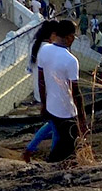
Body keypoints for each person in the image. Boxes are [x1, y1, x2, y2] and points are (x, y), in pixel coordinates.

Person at [36, 19, 87, 162]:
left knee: (59, 139)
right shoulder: (71, 60)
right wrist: (82, 119)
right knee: (68, 147)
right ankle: (49, 166)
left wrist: (44, 105)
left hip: (51, 106)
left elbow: (41, 82)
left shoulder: (44, 50)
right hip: (66, 111)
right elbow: (76, 93)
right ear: (70, 37)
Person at [22, 22, 59, 163]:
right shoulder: (48, 48)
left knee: (53, 123)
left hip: (40, 91)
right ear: (52, 34)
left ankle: (30, 149)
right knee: (56, 127)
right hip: (49, 91)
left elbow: (30, 69)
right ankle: (53, 156)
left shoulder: (34, 45)